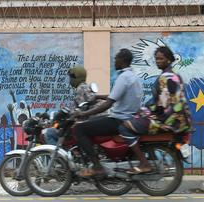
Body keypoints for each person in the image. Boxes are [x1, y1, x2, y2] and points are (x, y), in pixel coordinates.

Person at [118, 46, 192, 174]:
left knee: (124, 126)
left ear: (168, 59)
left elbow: (162, 106)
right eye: (156, 58)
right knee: (137, 119)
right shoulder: (175, 75)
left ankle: (144, 163)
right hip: (178, 120)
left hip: (168, 121)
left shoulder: (166, 77)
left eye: (161, 58)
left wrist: (145, 111)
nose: (158, 61)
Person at [72, 49, 143, 177]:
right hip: (129, 117)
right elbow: (115, 96)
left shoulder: (123, 78)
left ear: (122, 61)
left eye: (116, 59)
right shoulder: (133, 76)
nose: (114, 62)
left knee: (79, 129)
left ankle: (97, 166)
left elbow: (108, 104)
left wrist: (83, 114)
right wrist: (99, 96)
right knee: (91, 123)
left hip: (118, 119)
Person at [43, 66, 104, 145]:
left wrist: (68, 119)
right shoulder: (86, 87)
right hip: (97, 120)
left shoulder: (80, 89)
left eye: (71, 78)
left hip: (90, 122)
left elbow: (81, 110)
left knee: (50, 133)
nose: (70, 81)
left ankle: (57, 156)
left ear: (76, 78)